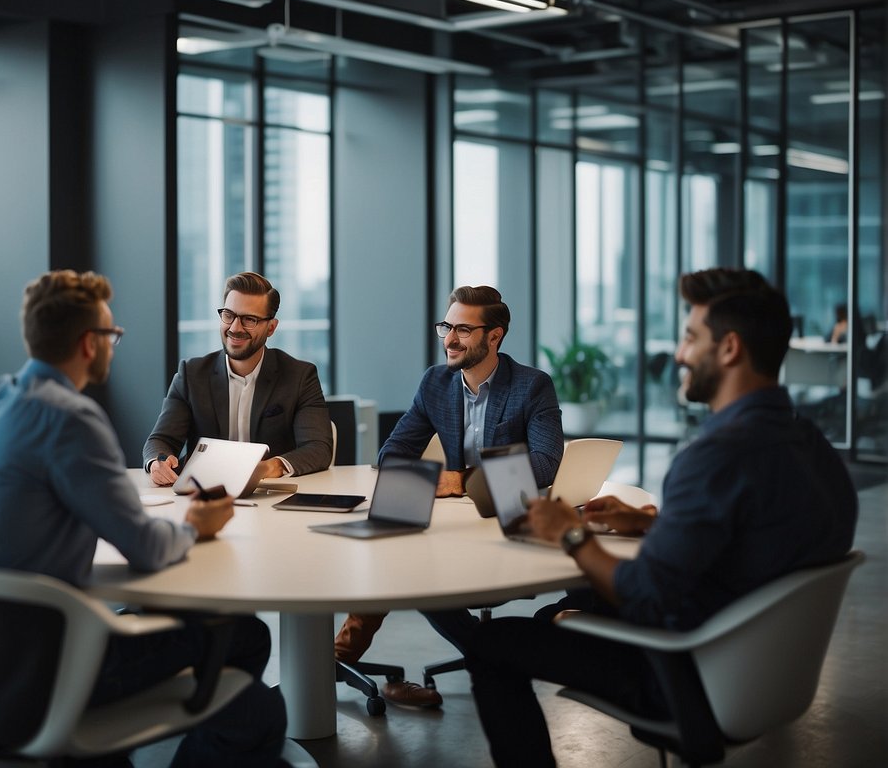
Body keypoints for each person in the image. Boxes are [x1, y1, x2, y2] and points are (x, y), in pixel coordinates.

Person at [463, 267, 858, 768]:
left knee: (491, 643)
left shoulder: (715, 456)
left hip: (686, 671)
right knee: (559, 610)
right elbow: (760, 536)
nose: (679, 354)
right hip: (761, 669)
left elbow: (645, 596)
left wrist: (572, 533)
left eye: (691, 337)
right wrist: (650, 525)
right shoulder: (815, 449)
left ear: (730, 348)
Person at [0, 270, 288, 768]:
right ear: (88, 344)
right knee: (249, 643)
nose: (114, 345)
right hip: (41, 669)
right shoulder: (73, 419)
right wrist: (194, 528)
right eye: (111, 335)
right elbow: (145, 547)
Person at [335, 284, 564, 708]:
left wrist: (461, 479)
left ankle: (340, 655)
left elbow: (546, 462)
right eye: (446, 326)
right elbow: (393, 453)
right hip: (452, 523)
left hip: (504, 522)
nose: (449, 339)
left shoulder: (531, 387)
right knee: (397, 550)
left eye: (463, 329)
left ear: (494, 337)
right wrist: (422, 479)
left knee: (414, 569)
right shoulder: (437, 383)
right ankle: (486, 654)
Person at [143, 271, 332, 485]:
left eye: (249, 319)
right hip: (204, 495)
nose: (234, 327)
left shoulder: (300, 376)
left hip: (269, 495)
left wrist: (269, 467)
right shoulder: (191, 374)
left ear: (271, 327)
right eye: (228, 315)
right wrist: (158, 461)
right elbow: (161, 440)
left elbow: (318, 448)